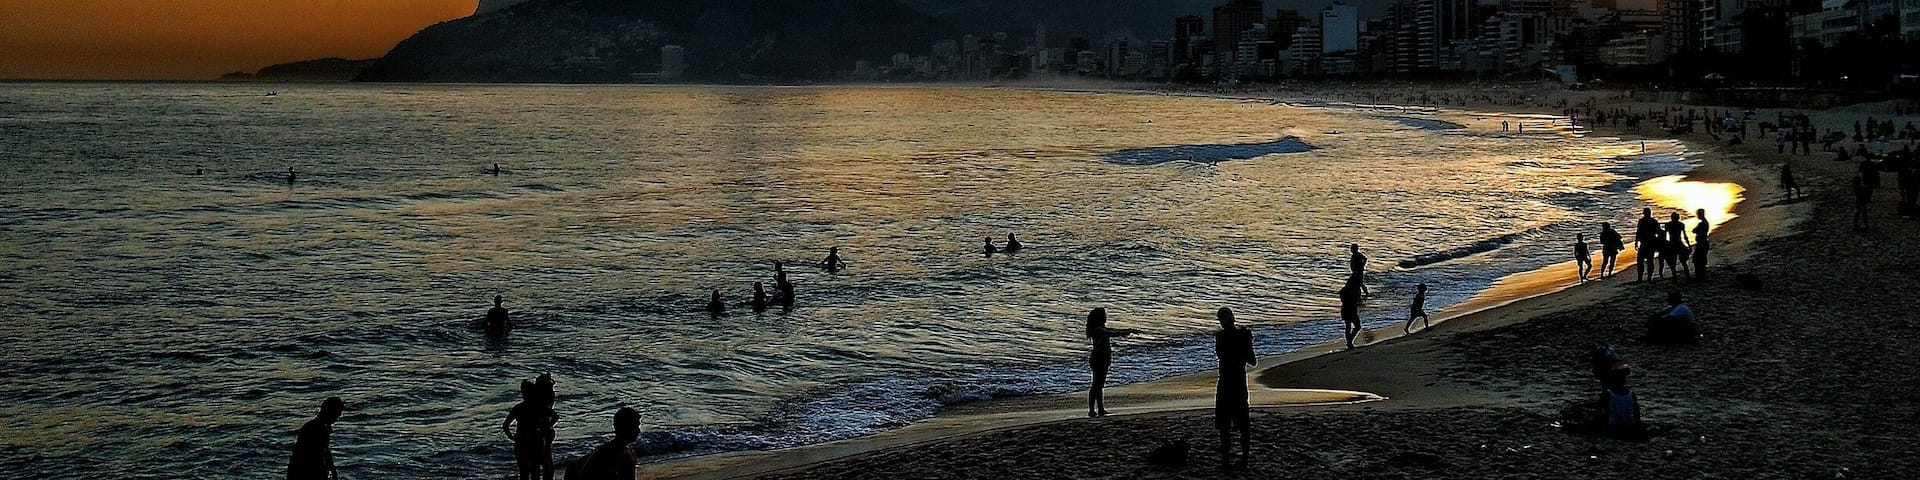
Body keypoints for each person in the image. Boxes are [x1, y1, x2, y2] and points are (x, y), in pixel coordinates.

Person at [1213, 307, 1256, 467]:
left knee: (1225, 425)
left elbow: (1222, 356)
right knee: (1243, 424)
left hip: (1226, 384)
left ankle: (1226, 460)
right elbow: (1252, 361)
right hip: (1238, 384)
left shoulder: (1221, 337)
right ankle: (1243, 459)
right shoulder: (1241, 336)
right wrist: (1247, 342)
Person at [1085, 308, 1137, 417]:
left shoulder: (1099, 328)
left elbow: (1111, 331)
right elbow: (1111, 333)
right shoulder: (1099, 329)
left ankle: (1100, 408)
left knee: (1099, 385)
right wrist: (1125, 332)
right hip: (1099, 359)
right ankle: (1092, 410)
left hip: (1100, 358)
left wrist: (1126, 331)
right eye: (1104, 315)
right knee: (1096, 385)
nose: (1106, 317)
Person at [502, 380, 559, 480]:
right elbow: (555, 416)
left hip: (526, 441)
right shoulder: (538, 406)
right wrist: (546, 427)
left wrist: (513, 437)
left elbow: (506, 426)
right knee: (533, 471)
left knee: (526, 471)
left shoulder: (520, 407)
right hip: (533, 441)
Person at [566, 407, 640, 480]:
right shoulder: (611, 453)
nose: (638, 431)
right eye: (636, 426)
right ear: (626, 428)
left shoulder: (624, 452)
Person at [287, 397, 344, 480]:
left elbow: (325, 451)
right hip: (305, 472)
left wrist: (332, 470)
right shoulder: (318, 429)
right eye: (337, 415)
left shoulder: (318, 426)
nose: (337, 419)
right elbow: (316, 458)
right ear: (331, 413)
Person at [1634, 208, 1663, 281]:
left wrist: (1636, 242)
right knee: (1648, 261)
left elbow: (1638, 232)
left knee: (1642, 261)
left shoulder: (1643, 221)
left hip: (1646, 243)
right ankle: (1647, 277)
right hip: (1649, 243)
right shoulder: (1653, 221)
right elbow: (1658, 232)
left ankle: (1642, 278)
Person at [1662, 212, 1690, 280]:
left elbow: (1665, 235)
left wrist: (1665, 243)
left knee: (1672, 262)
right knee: (1683, 262)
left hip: (1672, 243)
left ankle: (1675, 277)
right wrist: (1688, 244)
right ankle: (1687, 276)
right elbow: (1685, 236)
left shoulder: (1669, 225)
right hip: (1679, 243)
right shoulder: (1681, 224)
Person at [1339, 275, 1364, 349]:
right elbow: (1357, 300)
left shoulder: (1344, 290)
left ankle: (1349, 342)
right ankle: (1349, 341)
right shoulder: (1355, 290)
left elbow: (1343, 300)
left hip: (1345, 309)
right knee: (1357, 326)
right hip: (1351, 309)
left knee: (1348, 326)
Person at [1691, 209, 1711, 280]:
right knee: (1701, 259)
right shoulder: (1705, 223)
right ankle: (1701, 275)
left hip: (1701, 243)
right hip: (1703, 242)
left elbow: (1694, 230)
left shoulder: (1702, 224)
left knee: (1697, 259)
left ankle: (1700, 276)